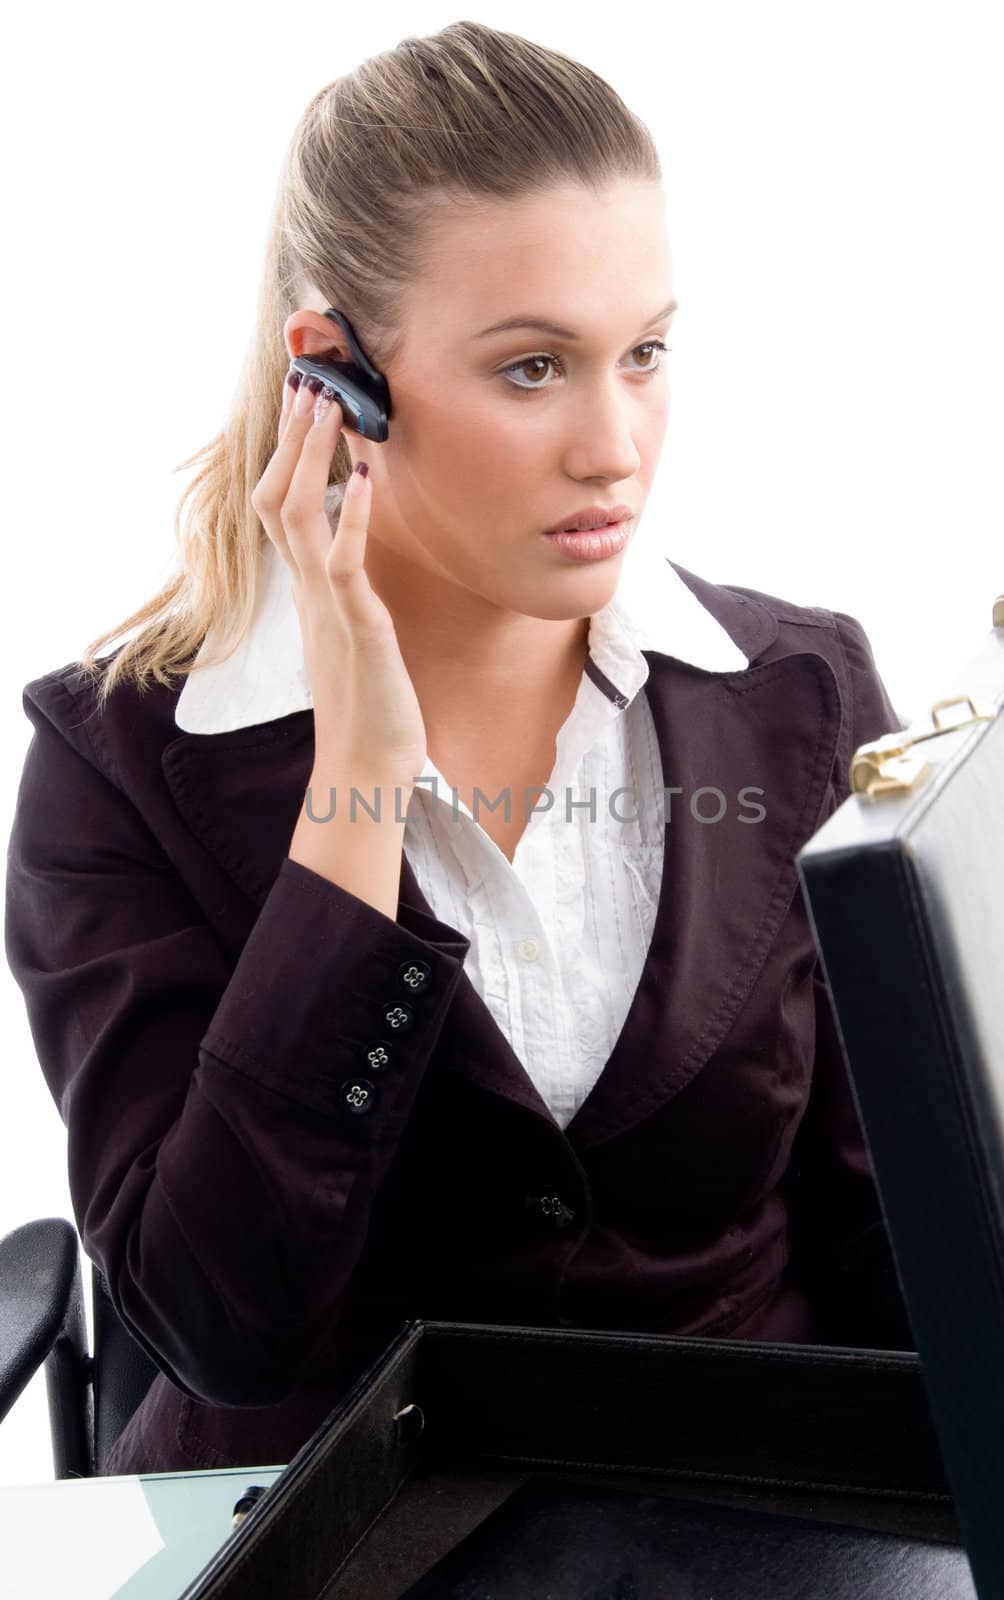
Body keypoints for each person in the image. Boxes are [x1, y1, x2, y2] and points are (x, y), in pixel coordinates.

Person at [3, 21, 913, 1478]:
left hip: (749, 1520)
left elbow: (905, 1230)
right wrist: (359, 778)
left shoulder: (798, 697)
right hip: (326, 1527)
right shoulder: (119, 761)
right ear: (333, 376)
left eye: (647, 354)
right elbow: (219, 1322)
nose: (616, 445)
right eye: (536, 367)